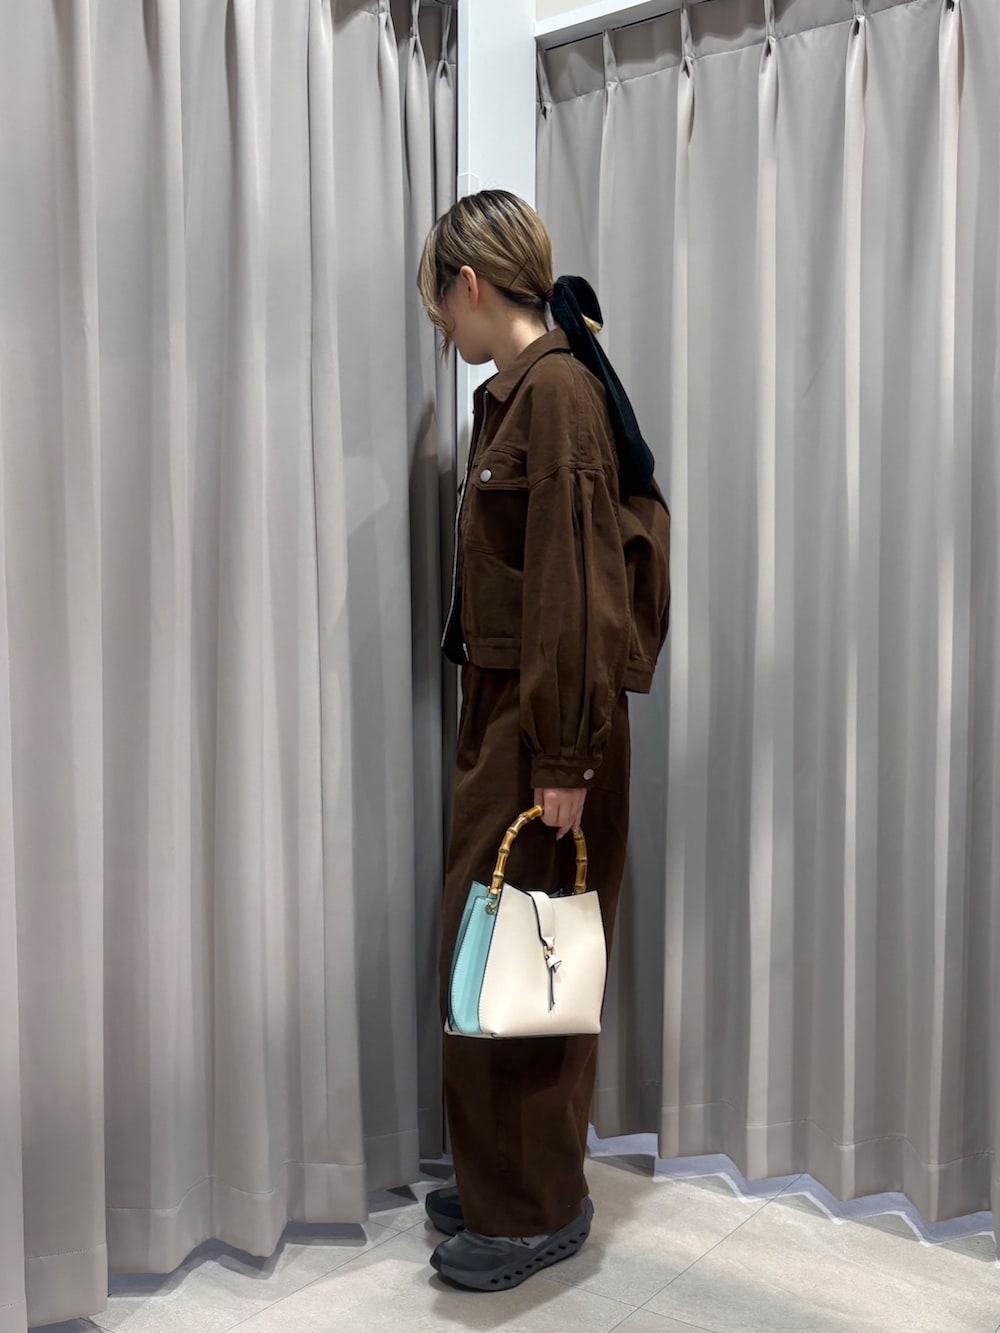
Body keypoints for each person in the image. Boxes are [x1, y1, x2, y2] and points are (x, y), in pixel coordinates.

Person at [416, 189, 663, 1293]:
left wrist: (565, 760)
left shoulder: (554, 392)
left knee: (531, 956)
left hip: (545, 728)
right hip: (511, 716)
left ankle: (535, 1211)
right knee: (490, 946)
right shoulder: (518, 394)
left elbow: (578, 585)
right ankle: (501, 1177)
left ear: (470, 285)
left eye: (439, 304)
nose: (441, 327)